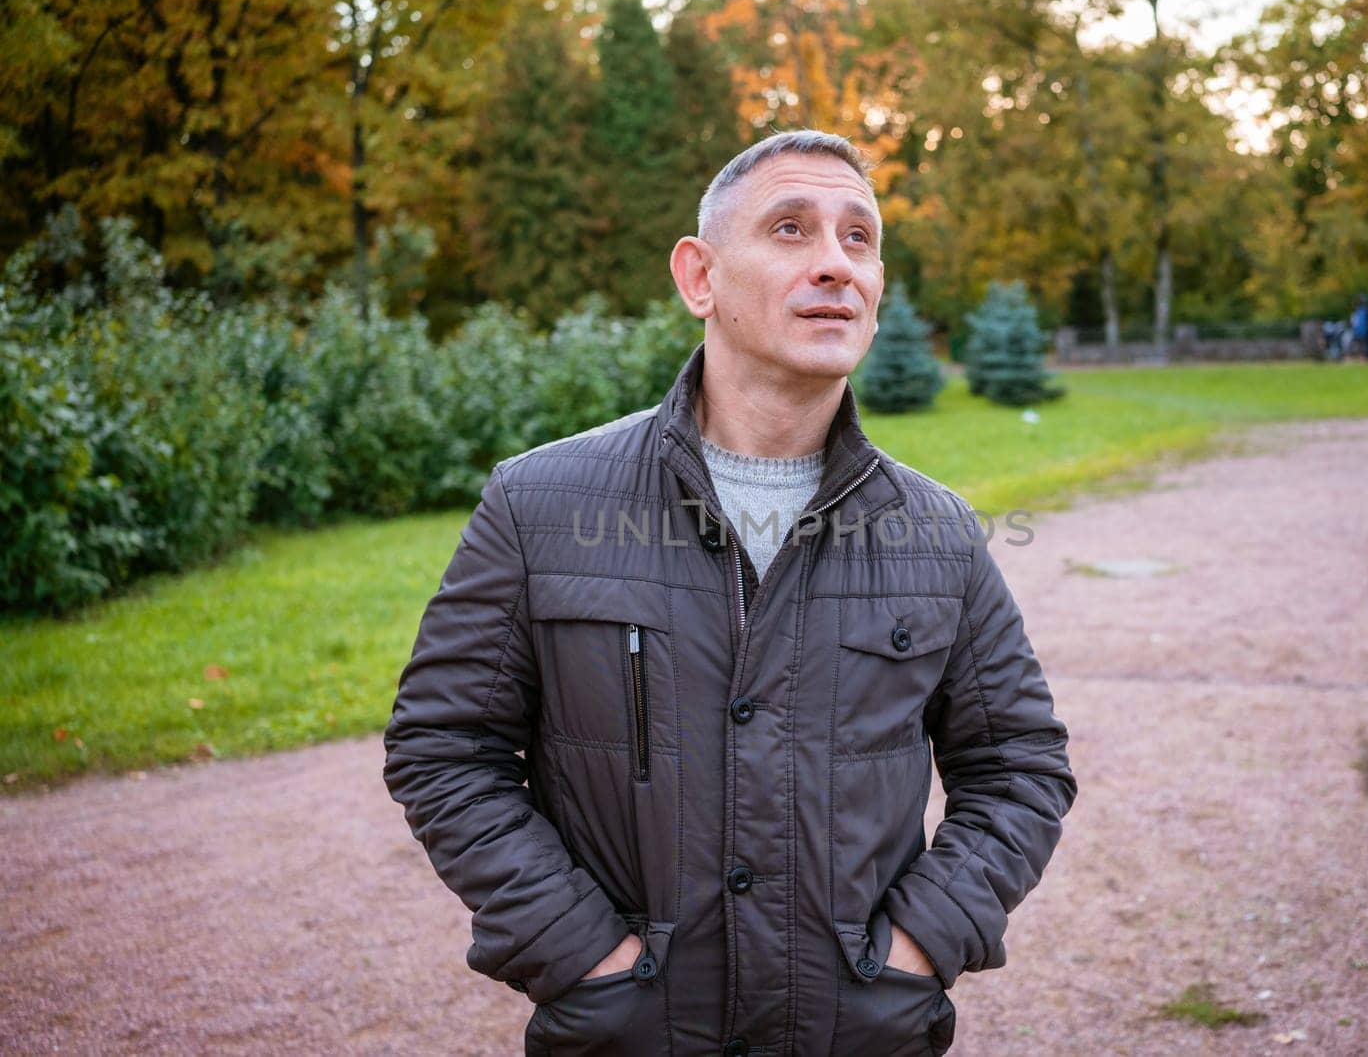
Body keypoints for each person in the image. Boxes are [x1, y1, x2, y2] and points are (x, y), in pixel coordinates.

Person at [382, 130, 1077, 1057]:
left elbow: (1019, 765)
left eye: (859, 238)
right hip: (630, 1034)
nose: (837, 263)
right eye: (791, 229)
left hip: (857, 1034)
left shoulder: (939, 532)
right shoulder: (538, 503)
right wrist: (585, 957)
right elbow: (443, 745)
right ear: (698, 278)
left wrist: (915, 949)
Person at [1350, 294, 1368, 362]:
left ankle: (1364, 358)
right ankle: (1366, 359)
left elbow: (1353, 322)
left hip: (1358, 332)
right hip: (1365, 331)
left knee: (1362, 346)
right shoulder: (1367, 310)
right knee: (1366, 345)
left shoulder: (1357, 311)